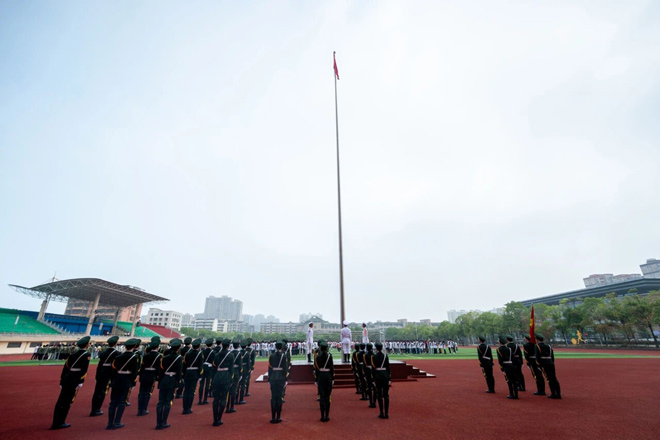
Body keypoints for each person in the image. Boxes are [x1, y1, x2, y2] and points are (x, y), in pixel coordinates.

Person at [50, 336, 91, 430]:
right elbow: (84, 369)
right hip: (75, 379)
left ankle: (56, 422)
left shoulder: (73, 354)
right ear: (86, 345)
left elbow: (65, 368)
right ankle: (61, 422)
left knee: (61, 400)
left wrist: (62, 380)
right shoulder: (86, 355)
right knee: (67, 401)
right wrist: (81, 381)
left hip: (67, 378)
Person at [107, 338, 142, 430]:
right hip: (126, 380)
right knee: (121, 402)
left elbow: (113, 369)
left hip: (117, 380)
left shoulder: (118, 356)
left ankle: (110, 423)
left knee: (113, 402)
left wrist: (113, 380)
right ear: (134, 346)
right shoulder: (134, 357)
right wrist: (132, 381)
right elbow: (134, 371)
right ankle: (117, 422)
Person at [155, 338, 183, 429]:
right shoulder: (179, 358)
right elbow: (179, 372)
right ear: (178, 348)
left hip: (164, 379)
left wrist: (160, 382)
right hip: (172, 380)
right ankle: (164, 422)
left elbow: (161, 371)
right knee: (167, 402)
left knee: (160, 402)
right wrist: (178, 382)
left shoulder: (165, 357)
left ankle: (158, 423)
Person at [90, 335, 119, 416]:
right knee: (103, 392)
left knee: (97, 392)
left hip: (101, 373)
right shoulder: (116, 353)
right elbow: (115, 366)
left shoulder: (103, 353)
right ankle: (97, 409)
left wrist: (97, 374)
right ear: (115, 343)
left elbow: (99, 365)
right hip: (109, 374)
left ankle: (93, 409)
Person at [211, 338, 234, 426]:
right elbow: (231, 369)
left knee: (216, 399)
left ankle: (215, 419)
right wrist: (231, 379)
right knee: (224, 398)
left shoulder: (216, 355)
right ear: (228, 346)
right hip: (226, 376)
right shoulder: (230, 355)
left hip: (217, 376)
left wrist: (214, 378)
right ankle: (219, 418)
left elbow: (214, 367)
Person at [137, 340, 162, 416]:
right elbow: (158, 367)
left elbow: (142, 366)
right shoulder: (159, 356)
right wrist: (158, 376)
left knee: (141, 392)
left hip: (144, 374)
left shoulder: (146, 355)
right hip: (152, 375)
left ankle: (139, 409)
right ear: (157, 347)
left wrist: (140, 375)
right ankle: (144, 409)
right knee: (147, 393)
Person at [534, 334, 561, 399]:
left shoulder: (537, 346)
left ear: (537, 339)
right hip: (550, 362)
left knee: (549, 378)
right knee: (554, 378)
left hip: (544, 363)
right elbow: (552, 356)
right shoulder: (548, 346)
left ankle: (553, 394)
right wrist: (552, 362)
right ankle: (558, 393)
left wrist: (538, 365)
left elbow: (537, 357)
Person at [268, 340, 289, 424]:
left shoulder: (271, 356)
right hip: (281, 378)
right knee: (279, 397)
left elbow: (269, 368)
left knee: (273, 397)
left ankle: (273, 417)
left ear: (275, 347)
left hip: (273, 377)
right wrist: (286, 378)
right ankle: (278, 417)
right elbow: (285, 368)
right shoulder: (284, 356)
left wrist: (269, 379)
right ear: (282, 347)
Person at [313, 339, 334, 422]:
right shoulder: (330, 356)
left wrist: (316, 379)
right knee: (328, 396)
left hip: (321, 376)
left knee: (322, 396)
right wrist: (333, 378)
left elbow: (316, 369)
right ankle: (327, 415)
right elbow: (332, 368)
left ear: (320, 348)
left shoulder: (317, 357)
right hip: (328, 376)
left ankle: (322, 416)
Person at [182, 338, 204, 414]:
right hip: (195, 373)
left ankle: (184, 408)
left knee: (186, 391)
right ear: (199, 346)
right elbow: (200, 365)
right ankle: (188, 408)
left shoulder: (187, 353)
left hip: (187, 373)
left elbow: (184, 365)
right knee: (191, 391)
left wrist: (183, 374)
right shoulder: (199, 354)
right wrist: (200, 375)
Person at [371, 341, 390, 419]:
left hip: (378, 375)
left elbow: (373, 369)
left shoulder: (374, 357)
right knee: (386, 395)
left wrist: (373, 379)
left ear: (376, 348)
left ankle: (381, 412)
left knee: (379, 394)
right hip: (385, 375)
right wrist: (389, 378)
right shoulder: (385, 356)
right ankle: (386, 413)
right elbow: (388, 367)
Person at [226, 341, 242, 413]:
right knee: (234, 389)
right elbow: (240, 365)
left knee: (228, 389)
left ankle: (227, 407)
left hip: (229, 372)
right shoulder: (239, 353)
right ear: (238, 346)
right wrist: (241, 373)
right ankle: (231, 407)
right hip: (236, 372)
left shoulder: (230, 353)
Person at [199, 338, 215, 405]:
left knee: (201, 384)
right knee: (207, 384)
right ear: (211, 344)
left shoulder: (202, 351)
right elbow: (213, 362)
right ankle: (205, 399)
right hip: (209, 368)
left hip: (203, 367)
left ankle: (200, 400)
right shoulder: (213, 352)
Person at [237, 340, 250, 404]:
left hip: (238, 369)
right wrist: (248, 370)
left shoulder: (238, 352)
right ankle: (241, 399)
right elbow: (248, 363)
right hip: (244, 368)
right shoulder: (247, 353)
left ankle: (236, 399)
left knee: (237, 384)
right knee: (243, 384)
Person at [364, 342, 376, 408]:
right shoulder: (374, 355)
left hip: (368, 371)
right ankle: (374, 402)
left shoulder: (365, 355)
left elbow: (364, 365)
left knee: (369, 387)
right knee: (375, 387)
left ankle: (371, 402)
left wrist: (364, 373)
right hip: (374, 372)